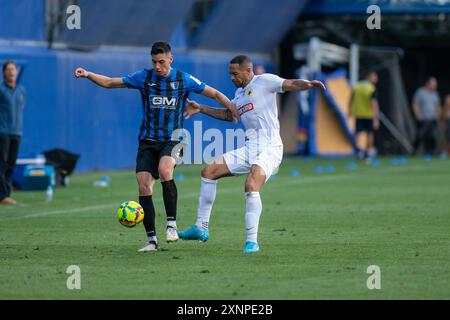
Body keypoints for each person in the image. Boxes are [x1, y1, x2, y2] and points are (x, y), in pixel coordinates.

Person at [75, 41, 239, 252]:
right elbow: (109, 82)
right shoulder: (144, 78)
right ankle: (152, 240)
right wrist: (88, 74)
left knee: (164, 169)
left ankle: (171, 225)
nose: (158, 67)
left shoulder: (184, 79)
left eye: (162, 62)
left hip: (175, 139)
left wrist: (232, 107)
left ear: (170, 59)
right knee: (143, 184)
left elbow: (215, 94)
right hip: (148, 141)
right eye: (154, 62)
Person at [177, 55, 325, 253]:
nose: (231, 78)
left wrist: (307, 84)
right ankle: (200, 227)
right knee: (209, 171)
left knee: (251, 184)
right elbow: (230, 115)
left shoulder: (264, 81)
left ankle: (252, 242)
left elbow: (289, 84)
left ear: (248, 70)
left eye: (235, 74)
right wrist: (201, 108)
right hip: (250, 147)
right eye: (230, 73)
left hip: (271, 147)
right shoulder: (238, 94)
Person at [0, 61, 26, 205]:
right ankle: (2, 196)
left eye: (13, 69)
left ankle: (7, 193)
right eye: (8, 69)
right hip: (2, 131)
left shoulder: (21, 90)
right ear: (4, 72)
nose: (11, 72)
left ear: (17, 71)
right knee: (2, 164)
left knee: (11, 164)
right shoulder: (1, 89)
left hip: (17, 132)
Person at [349, 71, 380, 160]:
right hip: (369, 114)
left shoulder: (357, 86)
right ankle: (368, 153)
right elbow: (374, 104)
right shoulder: (371, 88)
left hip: (358, 113)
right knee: (370, 134)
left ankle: (359, 152)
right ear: (369, 77)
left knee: (358, 133)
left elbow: (351, 98)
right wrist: (376, 118)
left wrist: (349, 110)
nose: (376, 80)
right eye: (374, 77)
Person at [412, 77, 441, 155]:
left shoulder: (435, 94)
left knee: (432, 136)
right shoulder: (420, 92)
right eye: (433, 84)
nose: (435, 86)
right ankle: (414, 151)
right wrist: (418, 114)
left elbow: (437, 105)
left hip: (432, 119)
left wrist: (438, 114)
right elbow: (415, 104)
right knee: (420, 135)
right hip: (423, 119)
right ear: (428, 84)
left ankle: (431, 152)